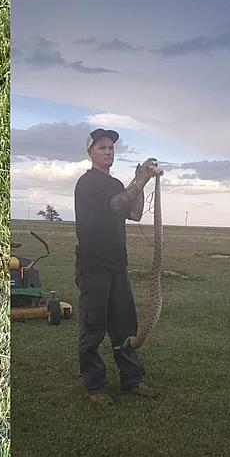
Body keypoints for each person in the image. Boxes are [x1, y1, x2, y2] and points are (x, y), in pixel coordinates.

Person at [73, 128, 161, 404]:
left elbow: (133, 213)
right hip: (93, 265)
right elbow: (114, 206)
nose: (108, 151)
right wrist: (139, 180)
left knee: (124, 324)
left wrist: (142, 183)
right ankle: (95, 386)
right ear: (90, 152)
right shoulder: (87, 184)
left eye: (111, 147)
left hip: (116, 265)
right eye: (102, 147)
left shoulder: (115, 184)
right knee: (94, 325)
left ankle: (131, 380)